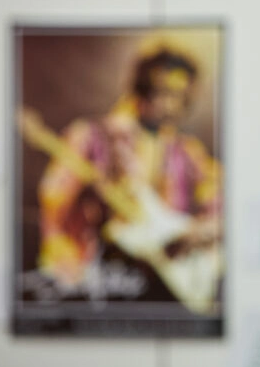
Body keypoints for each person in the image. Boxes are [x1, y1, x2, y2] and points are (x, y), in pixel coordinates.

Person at [26, 45, 222, 314]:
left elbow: (220, 203)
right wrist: (67, 256)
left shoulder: (188, 153)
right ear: (142, 88)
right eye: (162, 92)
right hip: (103, 280)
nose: (170, 105)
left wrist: (200, 232)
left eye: (179, 96)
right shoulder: (92, 136)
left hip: (165, 282)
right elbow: (55, 203)